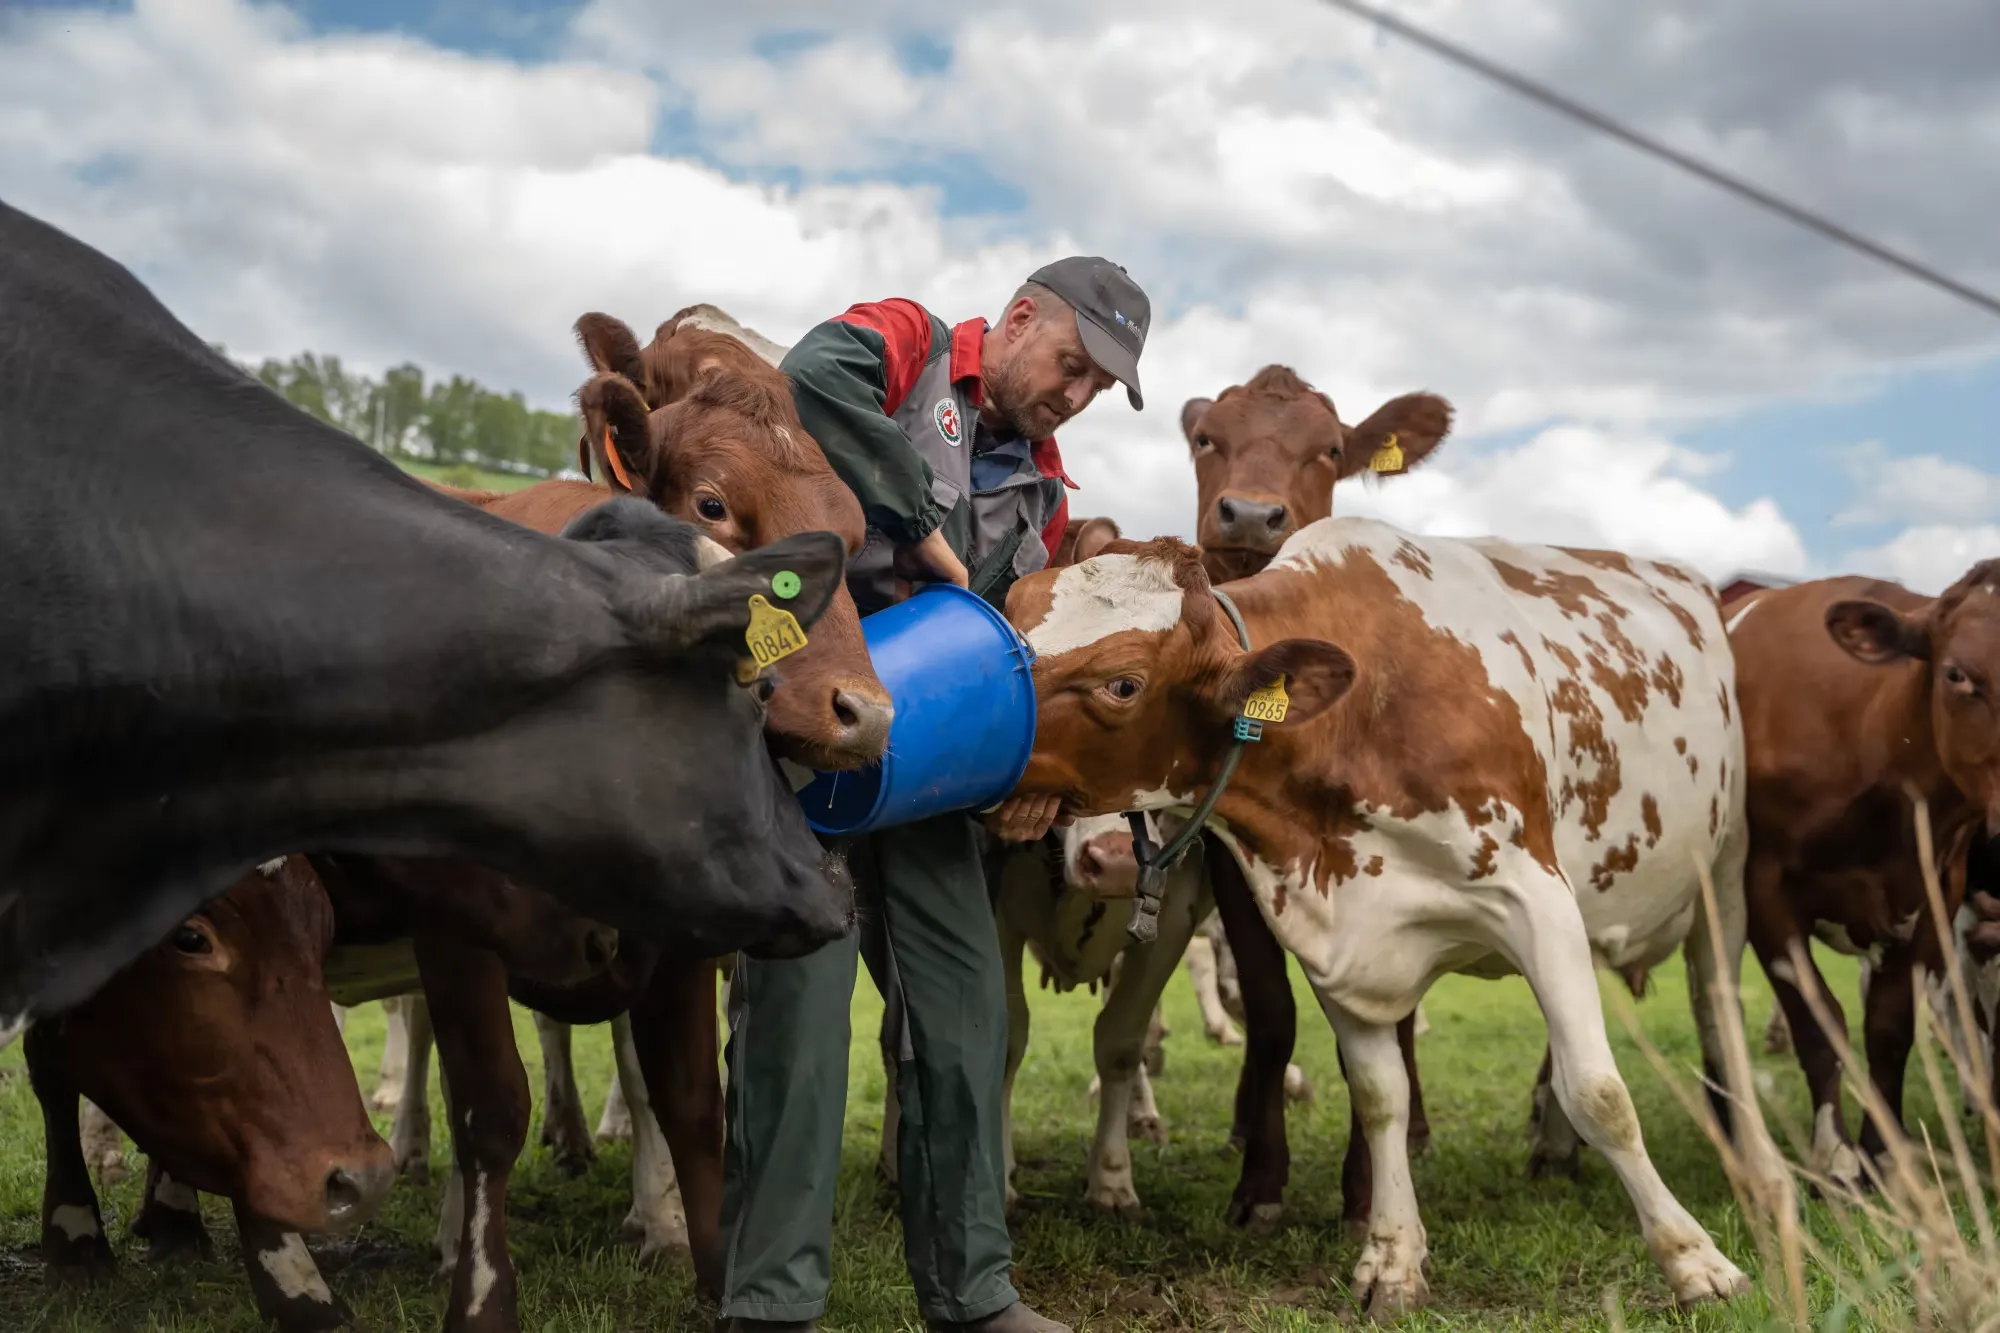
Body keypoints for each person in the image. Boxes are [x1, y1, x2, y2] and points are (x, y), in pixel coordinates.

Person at [716, 257, 1151, 1333]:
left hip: (925, 783)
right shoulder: (905, 347)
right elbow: (810, 375)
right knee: (797, 1025)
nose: (1076, 395)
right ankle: (771, 1304)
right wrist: (920, 529)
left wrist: (1028, 783)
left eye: (1098, 386)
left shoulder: (1045, 500)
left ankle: (975, 1296)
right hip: (800, 747)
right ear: (1012, 323)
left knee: (964, 1018)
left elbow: (1007, 656)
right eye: (1071, 364)